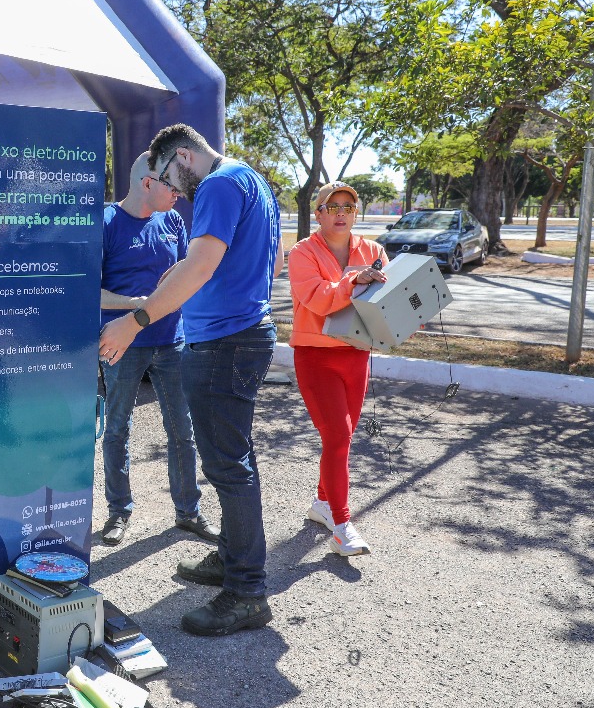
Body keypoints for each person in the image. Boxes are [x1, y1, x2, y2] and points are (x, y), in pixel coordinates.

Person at [98, 124, 282, 637]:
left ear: (182, 156)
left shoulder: (219, 185)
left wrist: (134, 320)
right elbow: (266, 258)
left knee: (228, 466)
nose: (172, 192)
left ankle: (247, 591)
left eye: (168, 178)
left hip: (225, 342)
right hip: (243, 334)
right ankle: (230, 557)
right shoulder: (252, 180)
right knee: (232, 459)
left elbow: (201, 267)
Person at [97, 153, 219, 547]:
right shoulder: (106, 222)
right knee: (117, 430)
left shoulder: (174, 222)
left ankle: (189, 512)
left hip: (173, 343)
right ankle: (119, 512)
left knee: (182, 431)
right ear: (148, 182)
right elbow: (89, 291)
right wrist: (140, 307)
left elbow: (187, 276)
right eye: (173, 185)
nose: (180, 194)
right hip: (123, 343)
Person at [286, 181, 387, 556]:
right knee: (338, 437)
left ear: (356, 212)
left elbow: (383, 302)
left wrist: (408, 314)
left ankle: (321, 504)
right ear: (319, 213)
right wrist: (352, 281)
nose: (341, 212)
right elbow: (316, 299)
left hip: (357, 355)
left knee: (341, 440)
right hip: (316, 356)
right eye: (333, 206)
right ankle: (342, 526)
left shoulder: (374, 250)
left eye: (349, 205)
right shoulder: (302, 252)